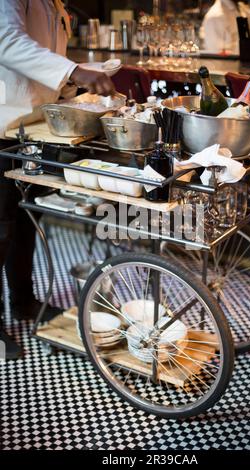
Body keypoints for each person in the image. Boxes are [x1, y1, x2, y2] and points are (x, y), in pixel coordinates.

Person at [0, 0, 115, 360]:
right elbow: (6, 40)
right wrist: (73, 71)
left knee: (25, 216)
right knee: (0, 225)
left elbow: (42, 53)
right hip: (2, 118)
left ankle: (23, 300)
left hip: (32, 126)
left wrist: (68, 90)